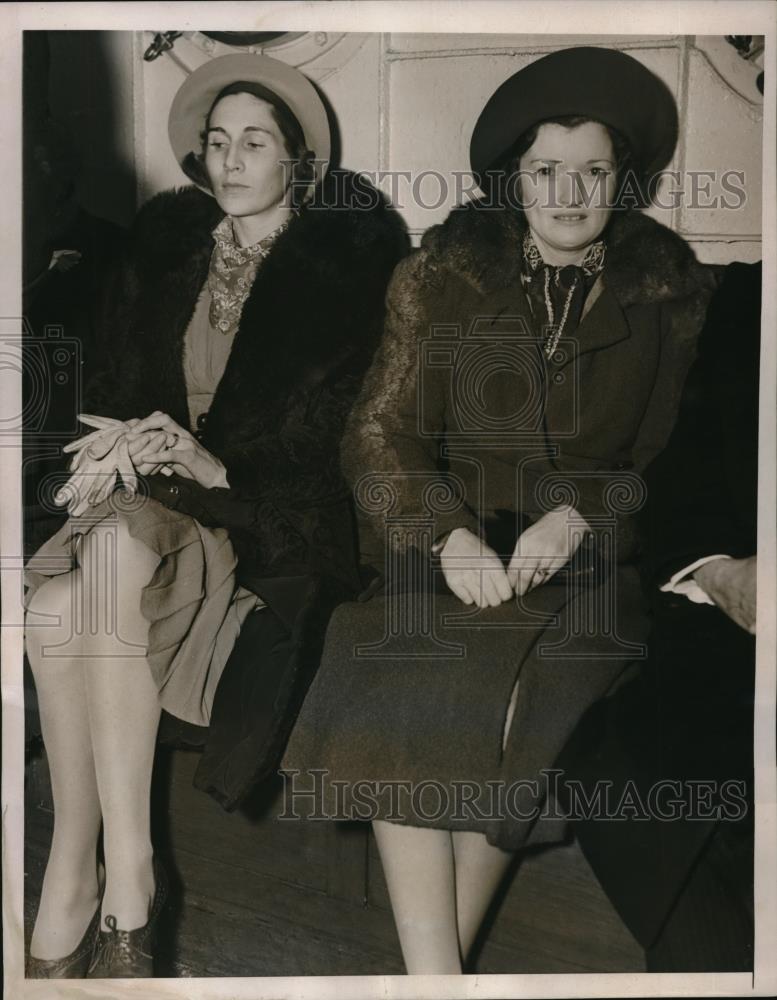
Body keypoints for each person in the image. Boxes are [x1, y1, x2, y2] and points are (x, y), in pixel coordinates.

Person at [282, 46, 718, 974]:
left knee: (526, 704)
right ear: (511, 179)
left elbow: (660, 463)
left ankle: (431, 979)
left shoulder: (671, 295)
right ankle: (439, 981)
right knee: (408, 670)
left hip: (591, 568)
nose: (569, 193)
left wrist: (585, 519)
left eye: (593, 171)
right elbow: (374, 434)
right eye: (545, 170)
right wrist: (444, 538)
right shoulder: (438, 275)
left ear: (621, 179)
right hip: (451, 539)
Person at [23, 53, 406, 979]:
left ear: (296, 164)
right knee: (46, 610)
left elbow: (339, 455)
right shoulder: (167, 254)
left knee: (104, 564)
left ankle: (127, 877)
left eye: (256, 143)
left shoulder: (345, 277)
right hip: (148, 506)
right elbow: (112, 391)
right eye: (217, 142)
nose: (232, 161)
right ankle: (84, 860)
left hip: (259, 525)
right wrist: (117, 440)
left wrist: (212, 463)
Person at [556, 260, 760, 971]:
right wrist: (718, 568)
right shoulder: (752, 296)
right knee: (625, 780)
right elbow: (683, 471)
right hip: (732, 655)